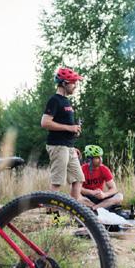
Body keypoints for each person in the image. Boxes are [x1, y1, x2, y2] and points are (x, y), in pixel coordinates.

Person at [41, 67, 85, 200]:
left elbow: (66, 126)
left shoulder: (67, 101)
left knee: (78, 179)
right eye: (73, 82)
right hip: (58, 146)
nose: (75, 86)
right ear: (64, 83)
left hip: (69, 147)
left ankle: (75, 215)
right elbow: (45, 122)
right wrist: (69, 128)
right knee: (57, 182)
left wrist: (73, 131)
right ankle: (54, 217)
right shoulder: (54, 100)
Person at [79, 144, 124, 210]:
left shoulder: (104, 169)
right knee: (76, 197)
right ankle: (100, 208)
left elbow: (114, 188)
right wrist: (91, 192)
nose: (100, 160)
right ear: (90, 159)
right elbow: (78, 188)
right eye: (97, 157)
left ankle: (94, 208)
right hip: (86, 198)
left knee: (120, 196)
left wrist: (104, 194)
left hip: (100, 197)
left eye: (100, 157)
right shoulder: (82, 169)